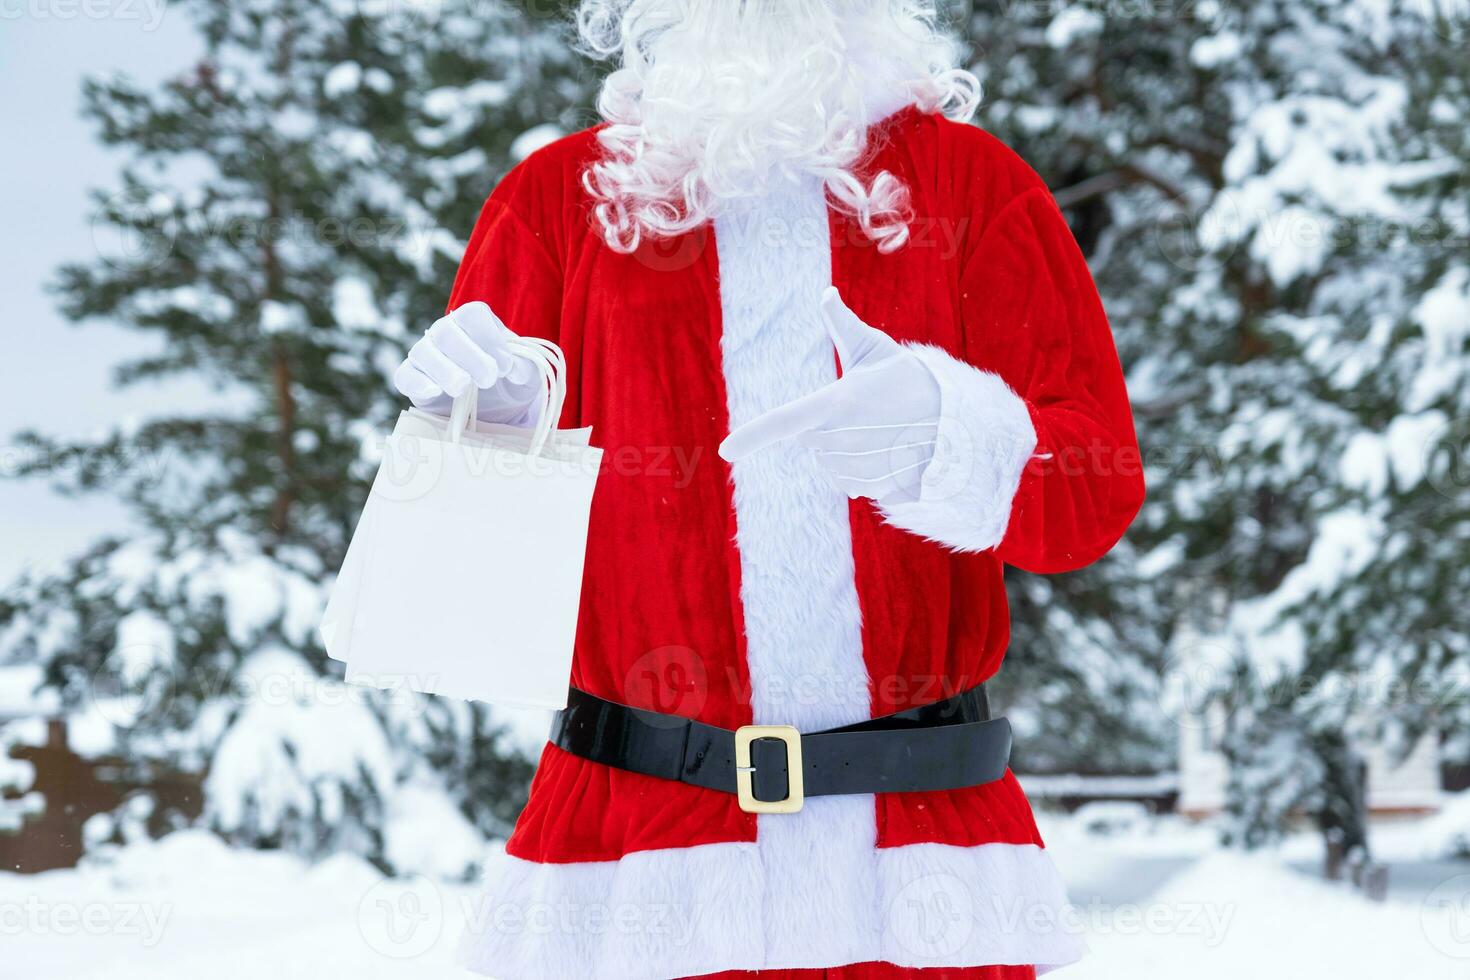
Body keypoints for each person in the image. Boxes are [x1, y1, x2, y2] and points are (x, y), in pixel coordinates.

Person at [393, 2, 1144, 977]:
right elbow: (463, 602)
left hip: (917, 865)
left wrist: (950, 435)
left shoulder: (973, 185)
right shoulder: (556, 201)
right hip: (638, 857)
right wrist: (480, 449)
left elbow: (1095, 491)